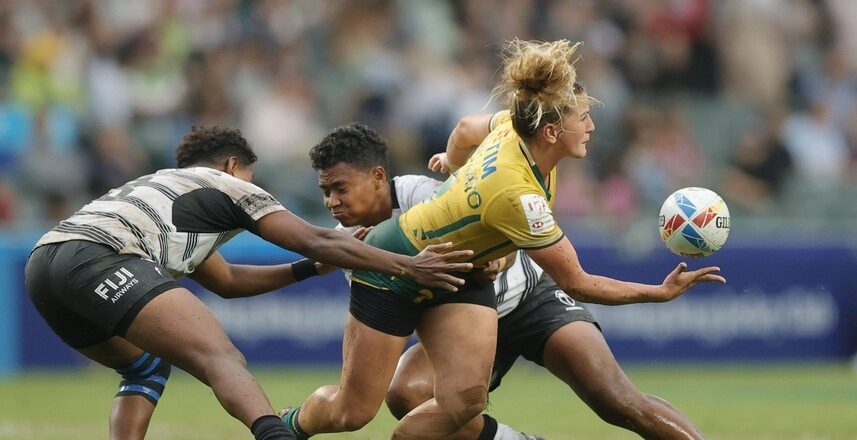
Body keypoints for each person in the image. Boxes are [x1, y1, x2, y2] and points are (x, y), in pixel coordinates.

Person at [283, 39, 724, 439]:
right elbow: (578, 282)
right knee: (363, 409)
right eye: (583, 117)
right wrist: (659, 292)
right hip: (416, 273)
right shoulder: (518, 196)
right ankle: (289, 426)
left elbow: (463, 131)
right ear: (552, 132)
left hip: (511, 293)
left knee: (591, 400)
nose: (591, 125)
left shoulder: (515, 126)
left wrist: (457, 173)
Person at [23, 126, 474, 440]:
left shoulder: (163, 190)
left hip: (44, 266)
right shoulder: (226, 185)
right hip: (99, 256)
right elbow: (316, 238)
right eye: (250, 177)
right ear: (233, 166)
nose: (253, 187)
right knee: (221, 357)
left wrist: (304, 270)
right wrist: (408, 266)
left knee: (145, 367)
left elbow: (229, 281)